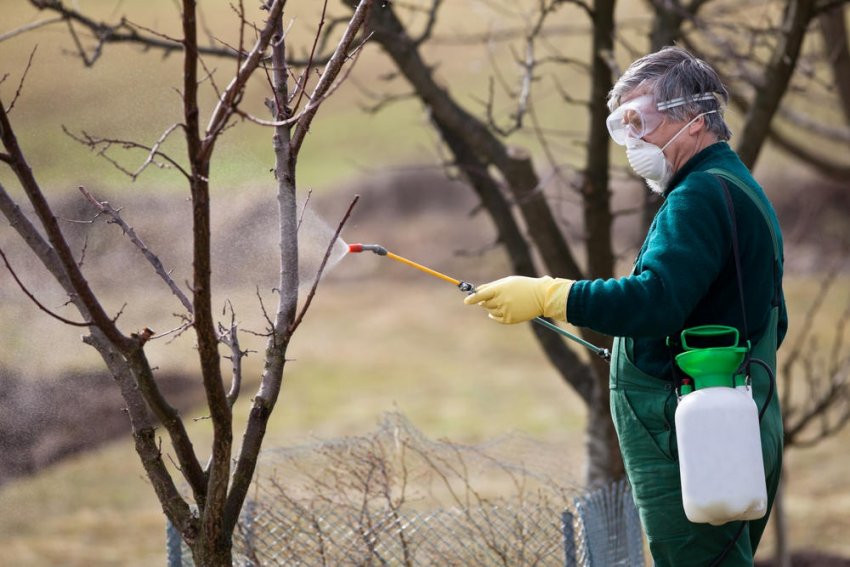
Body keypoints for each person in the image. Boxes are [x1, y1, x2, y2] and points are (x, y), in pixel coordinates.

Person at [464, 46, 787, 566]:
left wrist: (552, 295)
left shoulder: (699, 196)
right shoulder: (731, 185)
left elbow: (654, 301)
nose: (633, 140)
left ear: (696, 119)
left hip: (692, 435)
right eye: (624, 125)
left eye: (643, 121)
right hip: (727, 422)